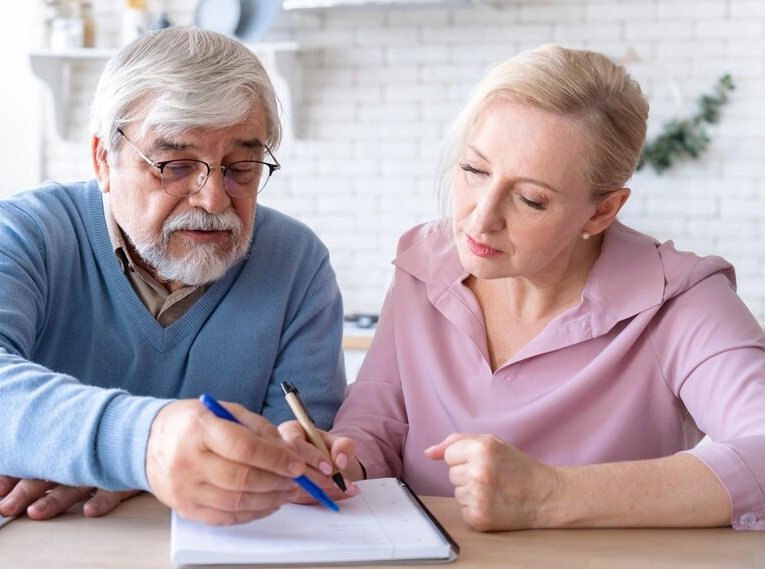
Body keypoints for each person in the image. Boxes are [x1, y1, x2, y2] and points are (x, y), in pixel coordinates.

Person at [283, 44, 765, 531]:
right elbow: (374, 426)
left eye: (531, 200)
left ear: (601, 212)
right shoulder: (422, 265)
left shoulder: (680, 299)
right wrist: (340, 464)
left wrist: (549, 496)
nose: (481, 218)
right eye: (474, 170)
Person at [0, 26, 347, 527]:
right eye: (176, 165)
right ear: (103, 161)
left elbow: (293, 453)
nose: (214, 200)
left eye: (241, 167)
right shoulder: (28, 228)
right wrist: (141, 446)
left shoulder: (298, 261)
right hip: (31, 538)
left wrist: (107, 463)